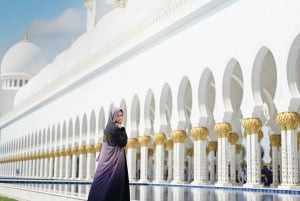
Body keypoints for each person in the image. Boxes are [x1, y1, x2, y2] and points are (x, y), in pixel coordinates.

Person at [87, 107, 130, 201]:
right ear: (113, 116)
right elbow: (123, 143)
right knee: (114, 183)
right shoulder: (116, 128)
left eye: (121, 115)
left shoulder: (107, 128)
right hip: (114, 162)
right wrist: (123, 129)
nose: (120, 118)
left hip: (106, 161)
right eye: (117, 115)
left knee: (103, 182)